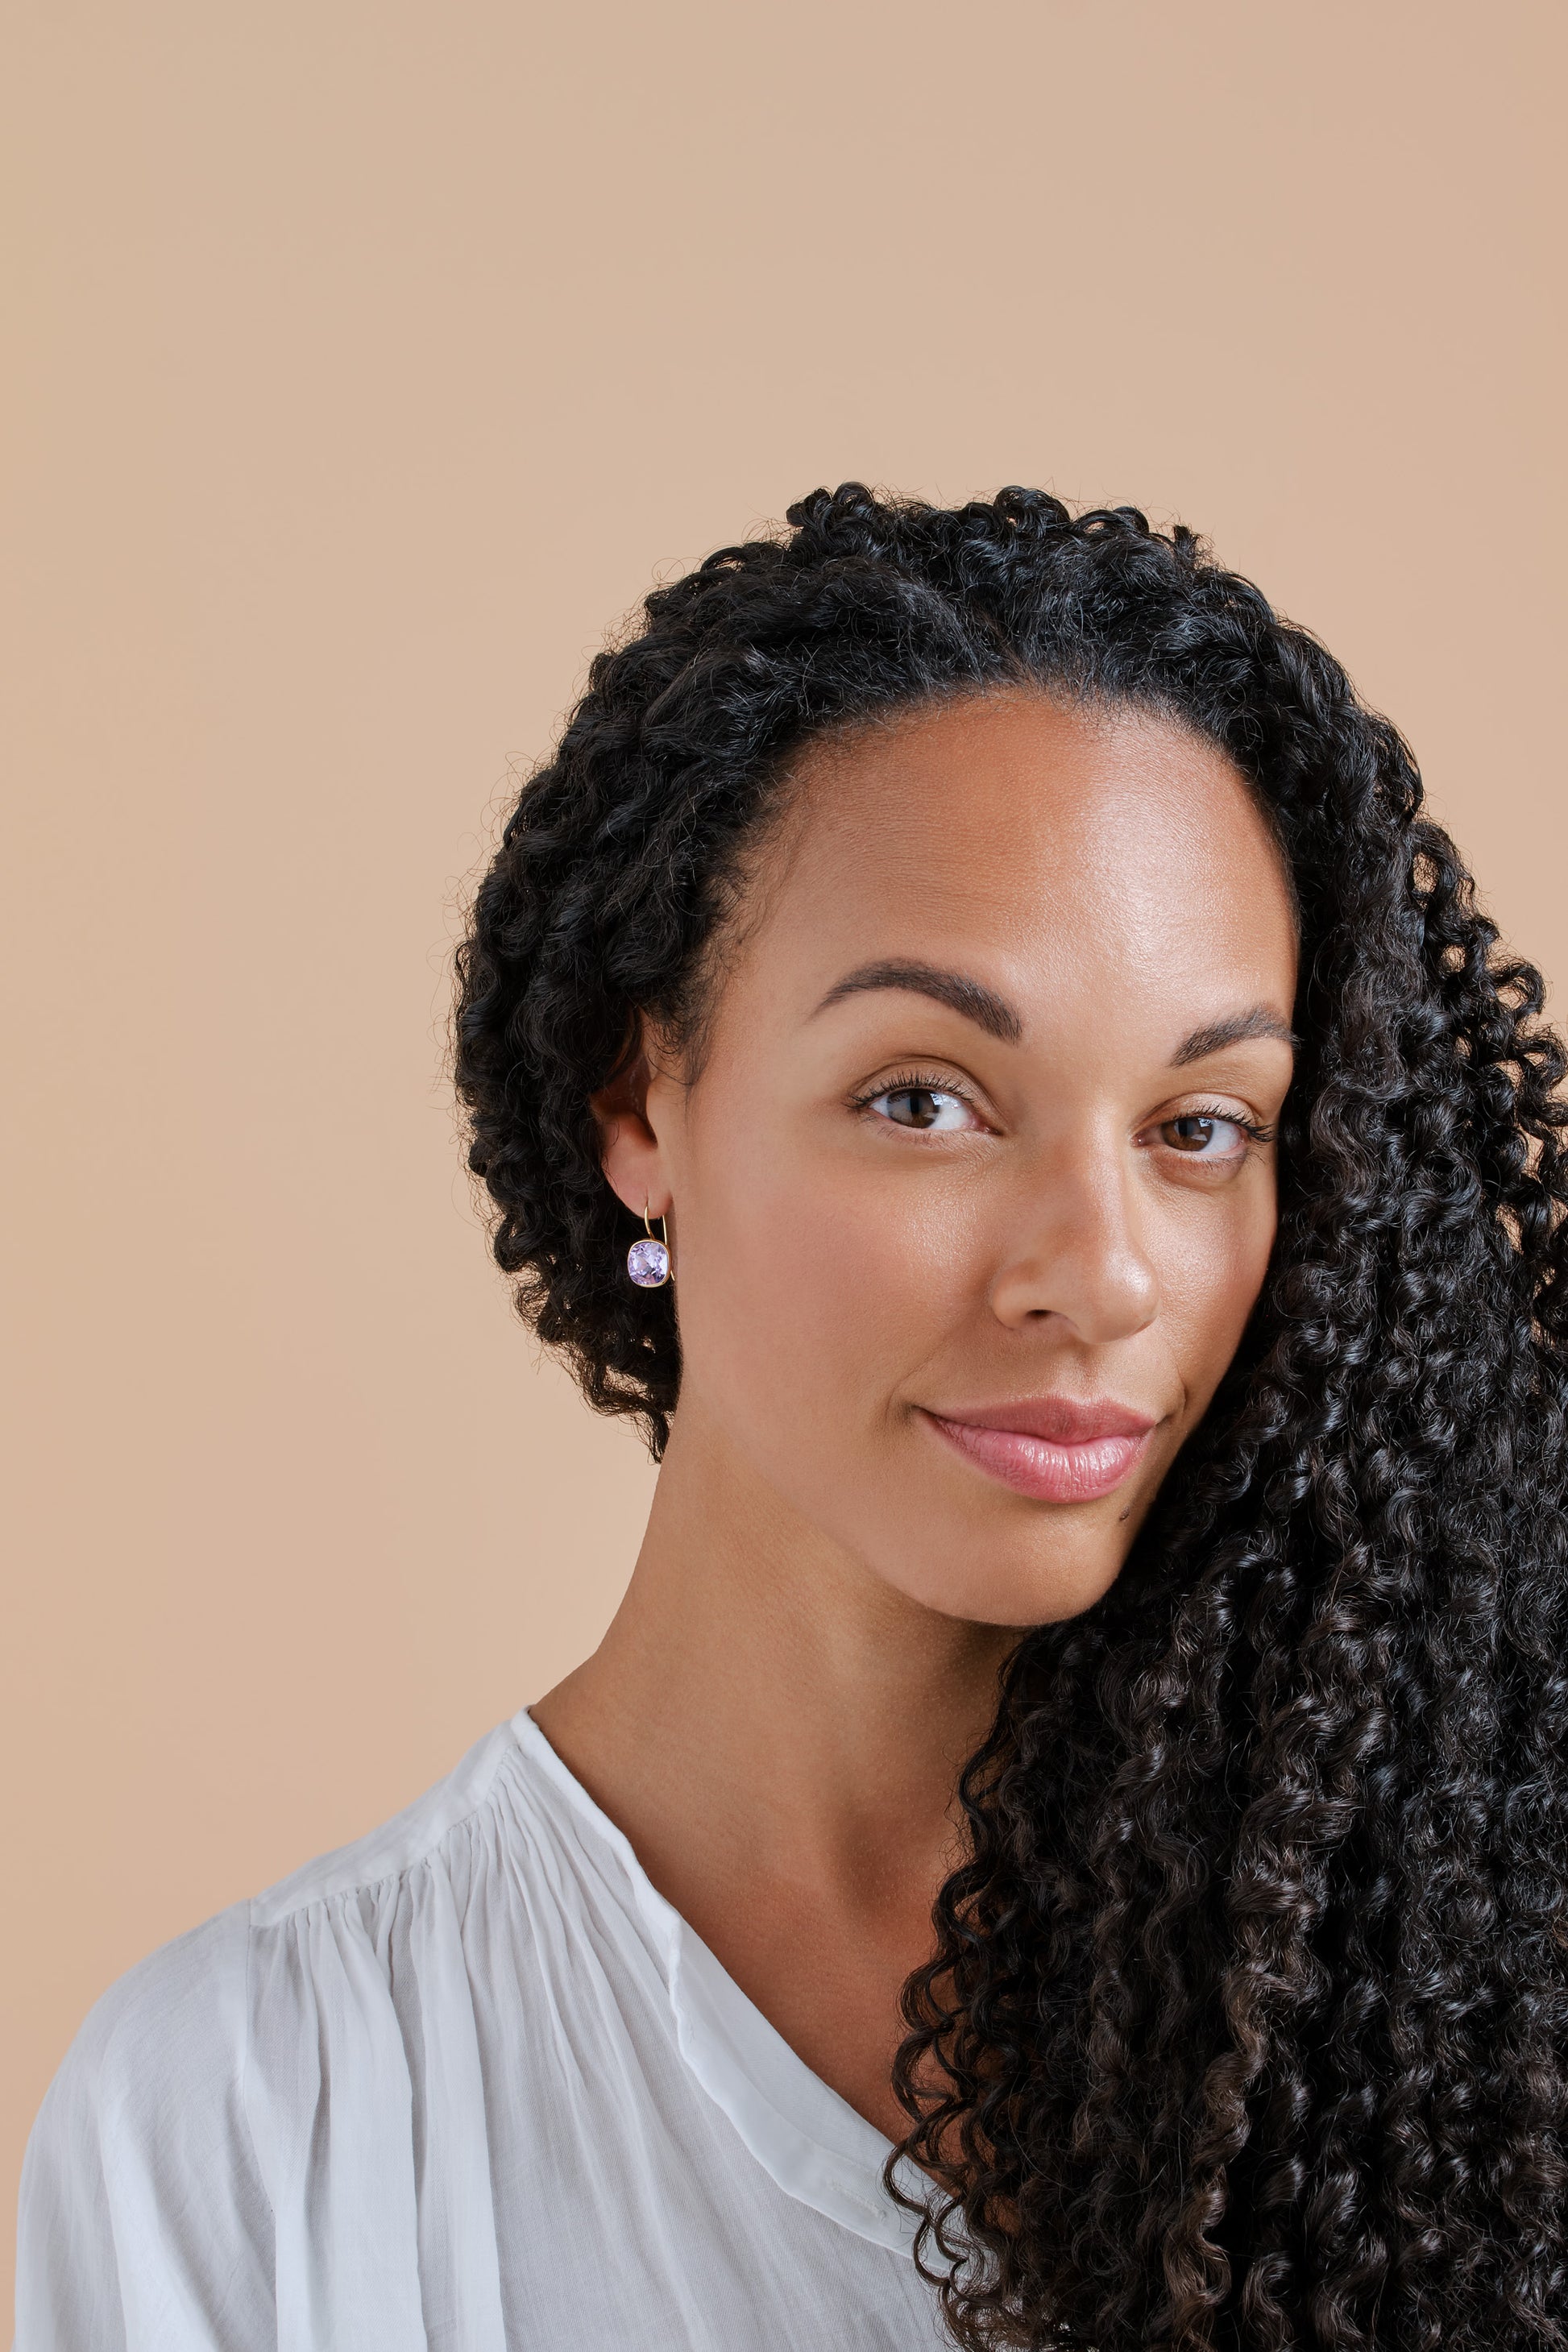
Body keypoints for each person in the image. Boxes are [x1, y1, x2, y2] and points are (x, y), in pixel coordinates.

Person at [16, 486, 1568, 2352]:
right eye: (926, 1097)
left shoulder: (1467, 1995)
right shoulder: (269, 2118)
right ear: (640, 1097)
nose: (1100, 1272)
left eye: (1200, 1125)